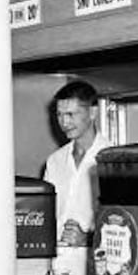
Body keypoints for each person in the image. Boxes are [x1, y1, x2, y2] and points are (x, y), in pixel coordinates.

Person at [42, 80, 109, 247]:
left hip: (92, 266)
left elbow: (121, 225)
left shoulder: (113, 160)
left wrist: (86, 239)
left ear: (93, 113)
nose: (64, 123)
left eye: (71, 114)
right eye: (59, 115)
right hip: (55, 265)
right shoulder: (54, 161)